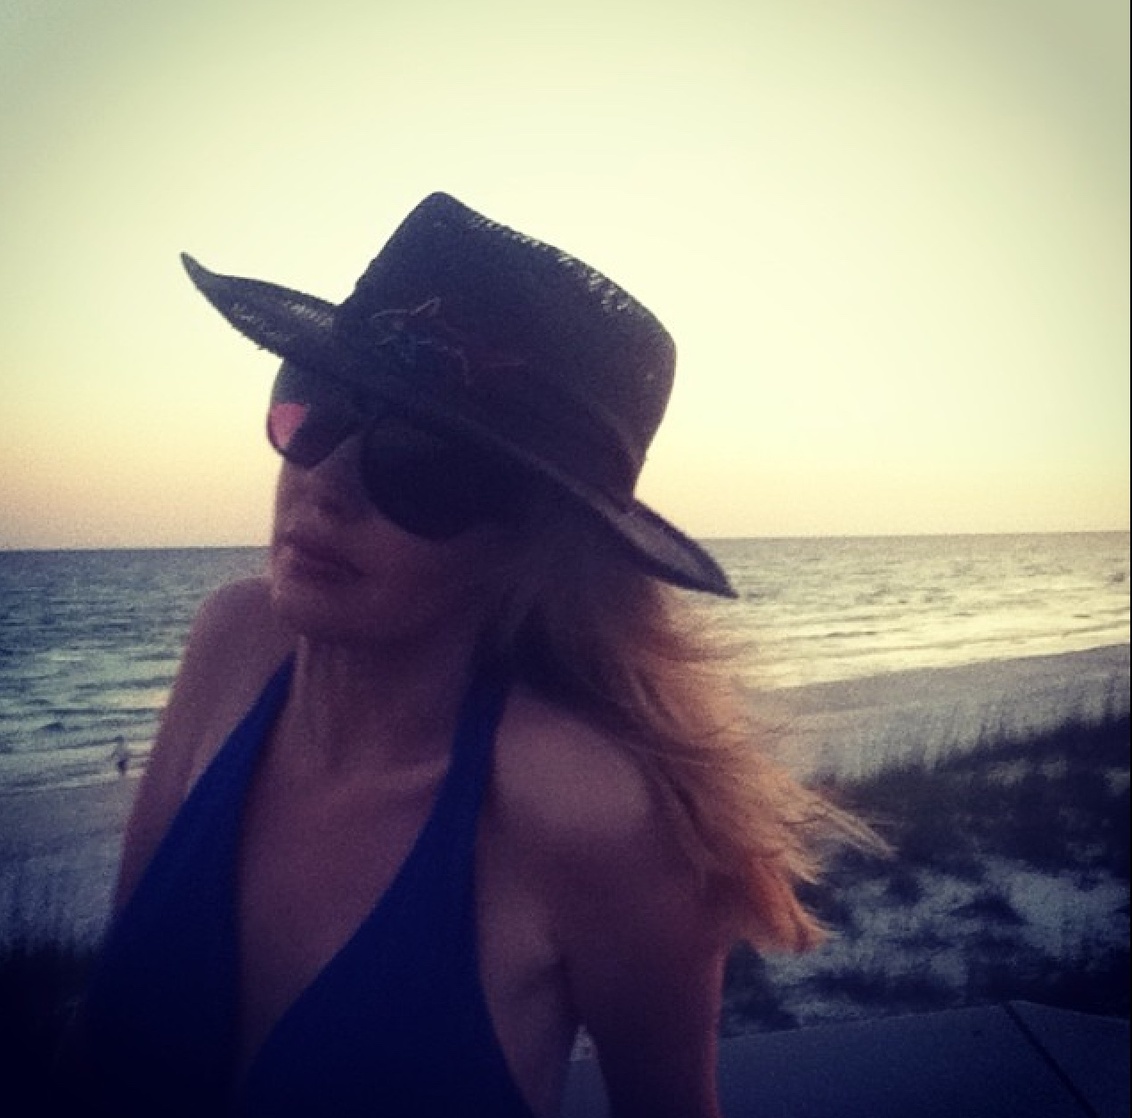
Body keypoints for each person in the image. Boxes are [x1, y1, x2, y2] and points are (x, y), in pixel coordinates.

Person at [71, 193, 874, 1118]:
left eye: (423, 461)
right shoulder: (234, 643)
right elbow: (98, 1046)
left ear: (533, 540)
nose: (326, 483)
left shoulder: (586, 811)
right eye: (318, 405)